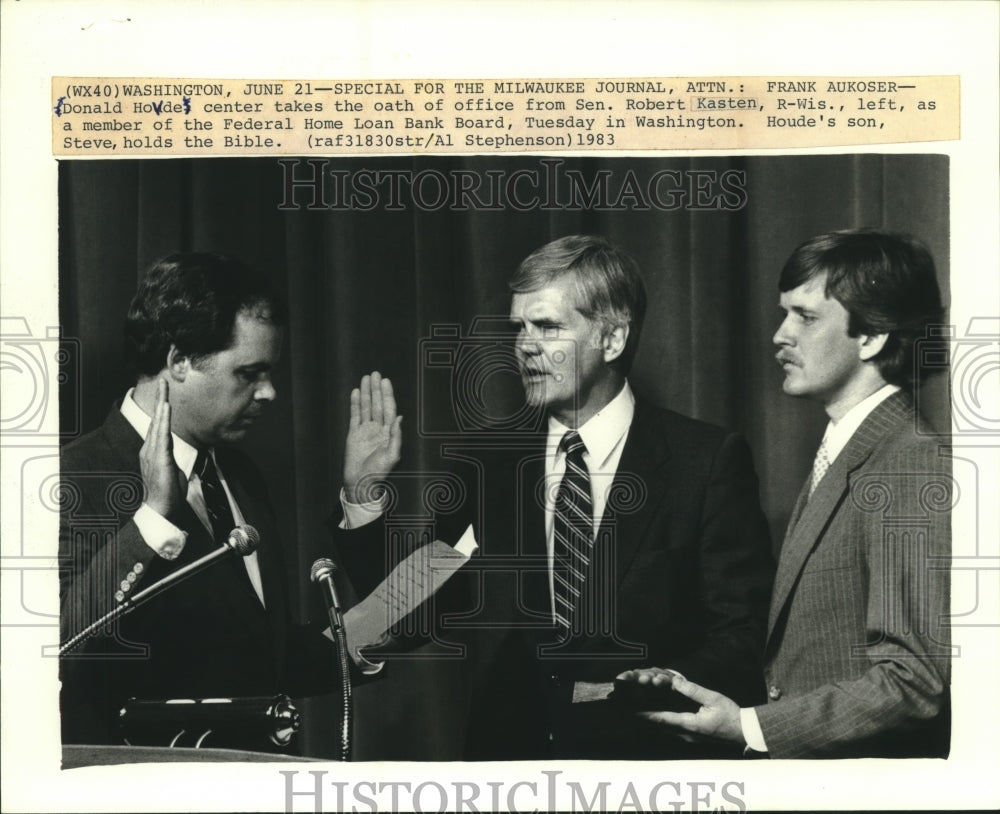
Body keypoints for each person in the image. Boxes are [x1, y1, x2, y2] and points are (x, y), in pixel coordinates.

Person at [335, 235, 775, 759]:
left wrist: (660, 683)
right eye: (518, 328)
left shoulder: (705, 461)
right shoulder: (487, 463)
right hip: (510, 773)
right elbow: (409, 612)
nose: (525, 346)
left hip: (648, 772)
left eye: (547, 327)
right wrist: (364, 495)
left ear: (611, 339)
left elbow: (742, 633)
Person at [617, 228, 952, 758]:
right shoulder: (853, 449)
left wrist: (754, 728)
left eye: (806, 316)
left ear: (872, 336)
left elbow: (913, 682)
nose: (780, 335)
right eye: (783, 313)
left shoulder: (907, 464)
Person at [59, 253, 340, 747]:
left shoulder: (239, 475)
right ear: (179, 361)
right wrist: (149, 520)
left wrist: (388, 621)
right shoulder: (66, 478)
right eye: (248, 373)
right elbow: (50, 652)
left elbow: (258, 656)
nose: (269, 392)